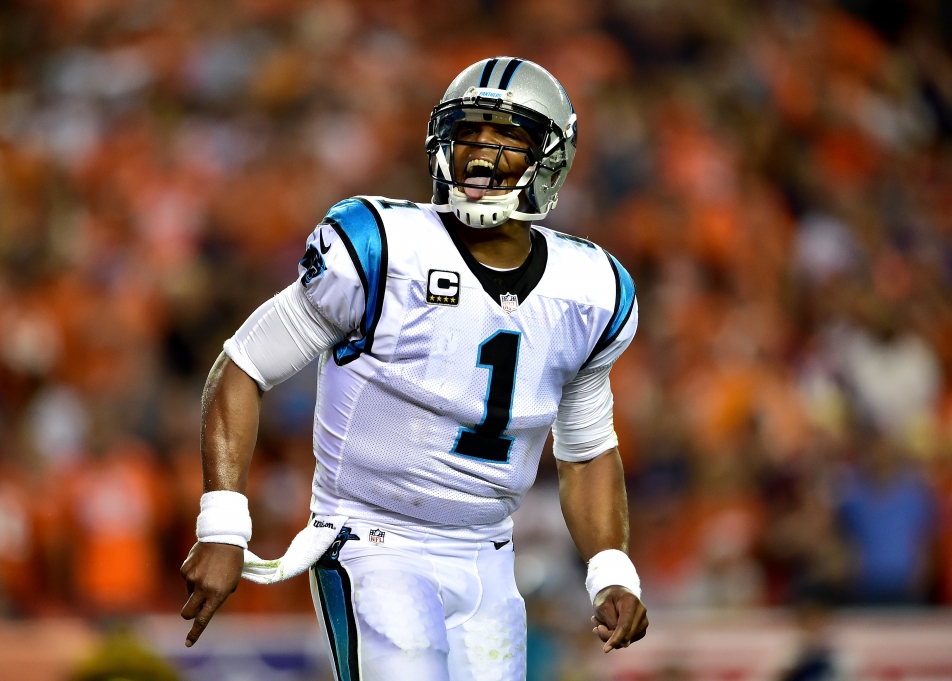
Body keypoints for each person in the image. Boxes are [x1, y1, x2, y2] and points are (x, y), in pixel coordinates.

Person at [180, 57, 649, 680]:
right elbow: (242, 366)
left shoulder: (590, 291)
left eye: (507, 137)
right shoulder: (382, 249)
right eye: (470, 135)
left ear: (550, 155)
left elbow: (586, 450)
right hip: (374, 542)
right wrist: (223, 522)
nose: (482, 155)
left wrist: (609, 566)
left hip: (488, 555)